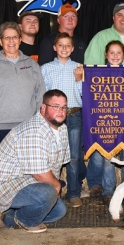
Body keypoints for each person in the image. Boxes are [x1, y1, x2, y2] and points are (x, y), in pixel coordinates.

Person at [0, 89, 69, 233]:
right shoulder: (34, 131)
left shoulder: (62, 129)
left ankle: (9, 215)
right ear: (43, 108)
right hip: (6, 185)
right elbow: (40, 174)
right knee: (47, 194)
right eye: (55, 106)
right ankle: (22, 220)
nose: (61, 111)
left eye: (63, 107)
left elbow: (56, 166)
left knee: (59, 211)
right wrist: (56, 187)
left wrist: (54, 188)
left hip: (29, 182)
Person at [0, 21, 45, 158]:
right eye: (7, 37)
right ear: (1, 42)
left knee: (26, 169)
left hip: (28, 126)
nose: (11, 41)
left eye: (14, 37)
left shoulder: (32, 64)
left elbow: (41, 93)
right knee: (1, 169)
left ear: (20, 40)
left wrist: (40, 120)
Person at [86, 40, 124, 204]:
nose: (115, 56)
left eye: (119, 53)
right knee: (107, 157)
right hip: (105, 122)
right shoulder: (96, 73)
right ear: (105, 54)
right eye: (112, 52)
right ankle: (109, 190)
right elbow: (89, 94)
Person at [41, 33, 86, 208]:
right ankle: (52, 192)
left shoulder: (79, 68)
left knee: (74, 156)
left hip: (73, 114)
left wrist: (78, 79)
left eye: (68, 45)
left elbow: (84, 95)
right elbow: (42, 94)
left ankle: (74, 192)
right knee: (53, 155)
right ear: (55, 47)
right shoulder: (46, 68)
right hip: (53, 116)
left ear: (73, 48)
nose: (64, 48)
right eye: (61, 45)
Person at [84, 2, 124, 78]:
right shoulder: (100, 37)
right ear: (113, 18)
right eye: (119, 15)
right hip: (107, 88)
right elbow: (89, 69)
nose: (123, 18)